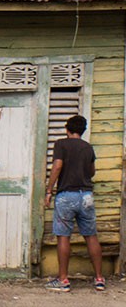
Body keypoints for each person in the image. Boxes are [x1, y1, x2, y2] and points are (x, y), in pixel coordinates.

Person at [44, 115, 104, 292]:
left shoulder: (61, 144)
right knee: (91, 236)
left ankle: (63, 280)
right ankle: (99, 279)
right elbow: (92, 171)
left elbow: (57, 166)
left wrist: (49, 190)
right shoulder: (88, 147)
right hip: (86, 196)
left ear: (67, 129)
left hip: (66, 196)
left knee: (64, 236)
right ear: (82, 130)